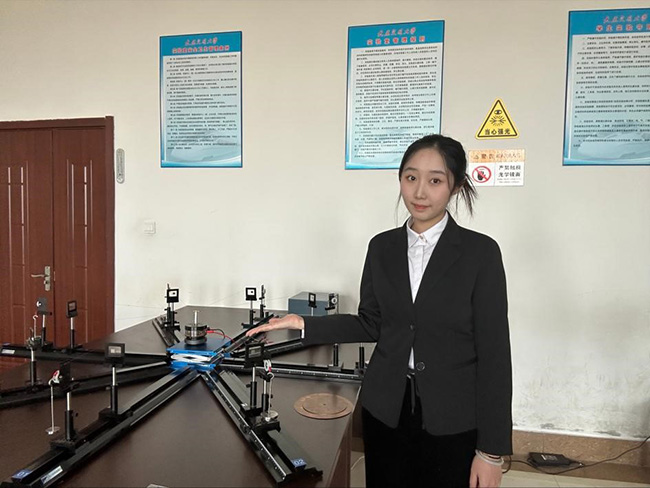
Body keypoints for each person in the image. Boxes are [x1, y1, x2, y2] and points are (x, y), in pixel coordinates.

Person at [247, 134, 512, 488]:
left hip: (454, 417)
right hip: (386, 410)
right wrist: (304, 324)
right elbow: (371, 322)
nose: (420, 192)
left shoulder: (481, 254)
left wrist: (491, 452)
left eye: (435, 181)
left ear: (456, 186)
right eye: (411, 177)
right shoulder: (382, 247)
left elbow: (495, 355)